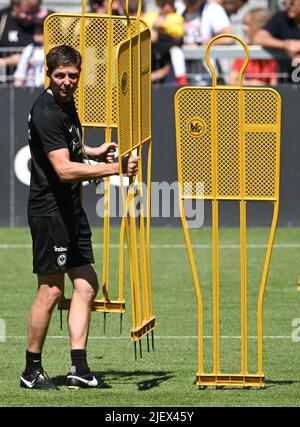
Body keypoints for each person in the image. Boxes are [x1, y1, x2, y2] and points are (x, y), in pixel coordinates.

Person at [20, 44, 139, 390]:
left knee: (86, 285)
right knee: (51, 291)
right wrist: (114, 167)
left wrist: (92, 151)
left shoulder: (66, 103)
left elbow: (67, 147)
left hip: (70, 211)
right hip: (49, 212)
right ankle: (31, 370)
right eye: (60, 75)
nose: (67, 81)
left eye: (73, 75)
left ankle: (79, 369)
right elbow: (63, 170)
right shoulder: (46, 110)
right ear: (48, 74)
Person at [0, 0, 52, 82]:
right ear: (15, 4)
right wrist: (7, 61)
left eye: (34, 12)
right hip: (7, 83)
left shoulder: (48, 20)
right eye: (26, 12)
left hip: (39, 83)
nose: (30, 17)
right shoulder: (3, 18)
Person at [253, 0, 300, 83]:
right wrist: (286, 45)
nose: (288, 6)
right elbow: (258, 38)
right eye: (285, 3)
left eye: (292, 3)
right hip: (287, 82)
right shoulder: (281, 17)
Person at [228, 8, 278, 86]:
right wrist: (251, 84)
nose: (243, 28)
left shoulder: (274, 50)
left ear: (260, 26)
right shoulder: (244, 49)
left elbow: (275, 84)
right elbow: (231, 81)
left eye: (247, 24)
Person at [143, 0, 188, 84]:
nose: (167, 7)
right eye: (163, 4)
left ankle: (181, 78)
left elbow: (179, 32)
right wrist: (154, 26)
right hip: (155, 52)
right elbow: (144, 27)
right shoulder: (152, 16)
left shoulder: (177, 17)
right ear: (157, 4)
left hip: (170, 48)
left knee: (176, 51)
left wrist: (164, 25)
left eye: (170, 4)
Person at [13, 16, 44, 86]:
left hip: (47, 87)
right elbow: (20, 72)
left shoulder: (52, 48)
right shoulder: (29, 49)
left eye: (40, 33)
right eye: (35, 32)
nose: (37, 35)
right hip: (32, 88)